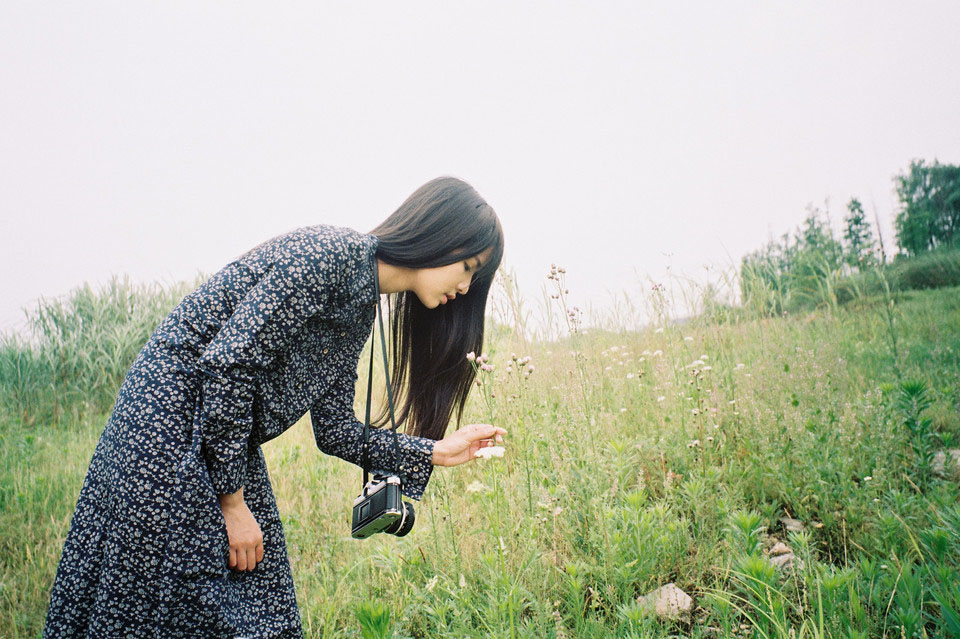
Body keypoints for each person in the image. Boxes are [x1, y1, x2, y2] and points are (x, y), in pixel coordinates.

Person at [43, 176, 508, 638]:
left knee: (251, 601)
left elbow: (335, 431)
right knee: (179, 597)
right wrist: (232, 500)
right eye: (467, 266)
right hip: (169, 423)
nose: (465, 288)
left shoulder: (358, 304)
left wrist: (433, 451)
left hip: (217, 433)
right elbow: (228, 364)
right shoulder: (329, 256)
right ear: (436, 235)